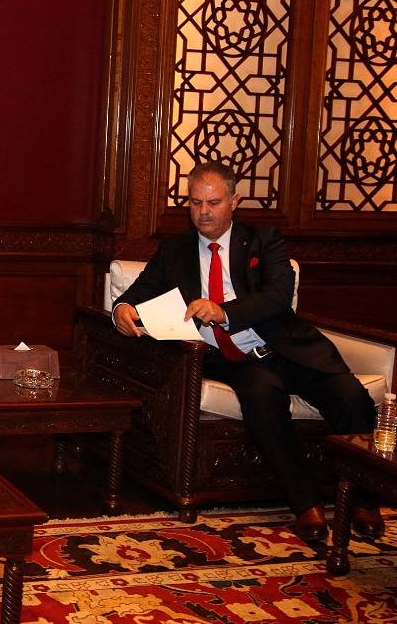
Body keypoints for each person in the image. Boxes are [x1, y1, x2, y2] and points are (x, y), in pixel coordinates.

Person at [112, 161, 379, 542]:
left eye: (213, 202)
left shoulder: (263, 240)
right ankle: (306, 503)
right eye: (195, 202)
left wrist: (225, 312)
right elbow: (136, 294)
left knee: (350, 395)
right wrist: (122, 309)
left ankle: (364, 499)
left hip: (285, 348)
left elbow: (278, 296)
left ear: (234, 201)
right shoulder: (175, 250)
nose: (203, 212)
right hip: (232, 360)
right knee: (262, 395)